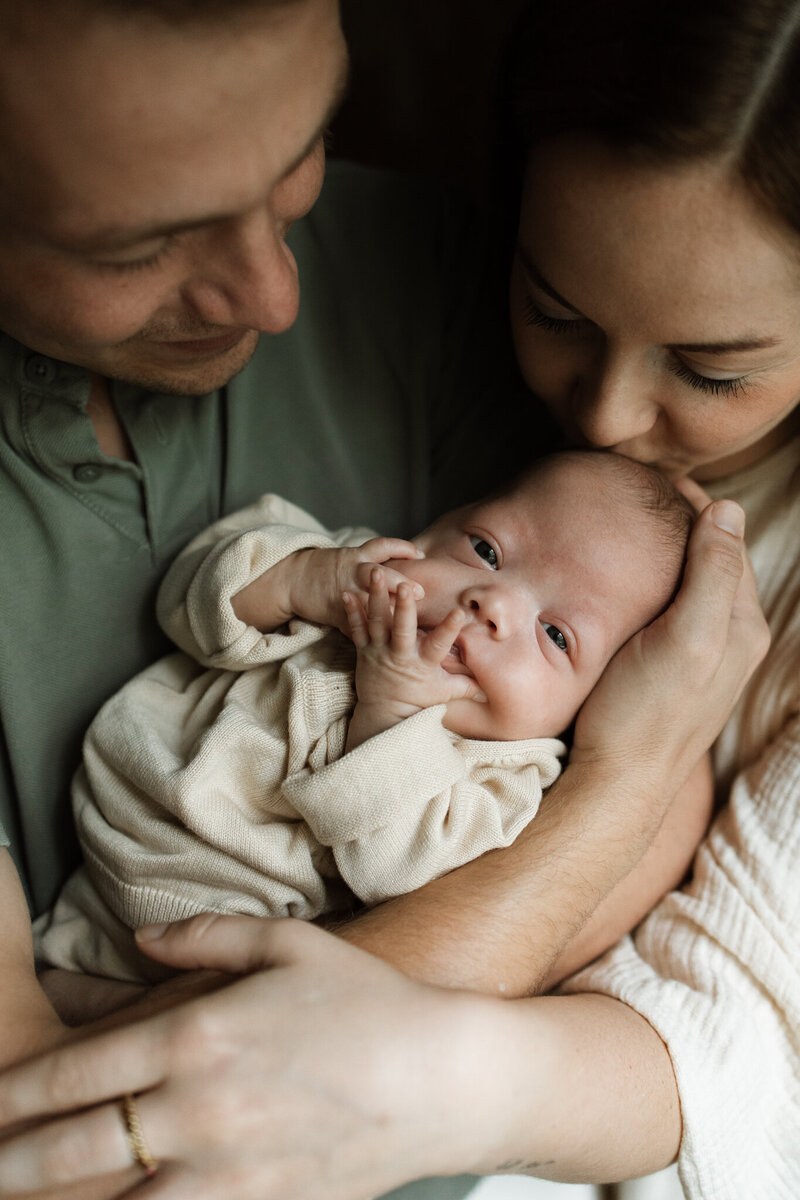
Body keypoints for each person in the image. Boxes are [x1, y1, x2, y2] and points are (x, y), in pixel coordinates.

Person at [0, 1, 774, 1199]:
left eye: (297, 156)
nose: (274, 294)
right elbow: (42, 1147)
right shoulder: (386, 564)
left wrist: (587, 782)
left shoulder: (452, 280)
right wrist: (307, 578)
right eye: (132, 247)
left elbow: (644, 813)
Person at [36, 450, 696, 987]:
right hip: (108, 851)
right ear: (437, 527)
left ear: (585, 708)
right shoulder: (355, 577)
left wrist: (394, 714)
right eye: (487, 551)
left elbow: (397, 875)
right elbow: (189, 607)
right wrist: (305, 581)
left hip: (219, 952)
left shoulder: (511, 776)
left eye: (555, 634)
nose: (491, 601)